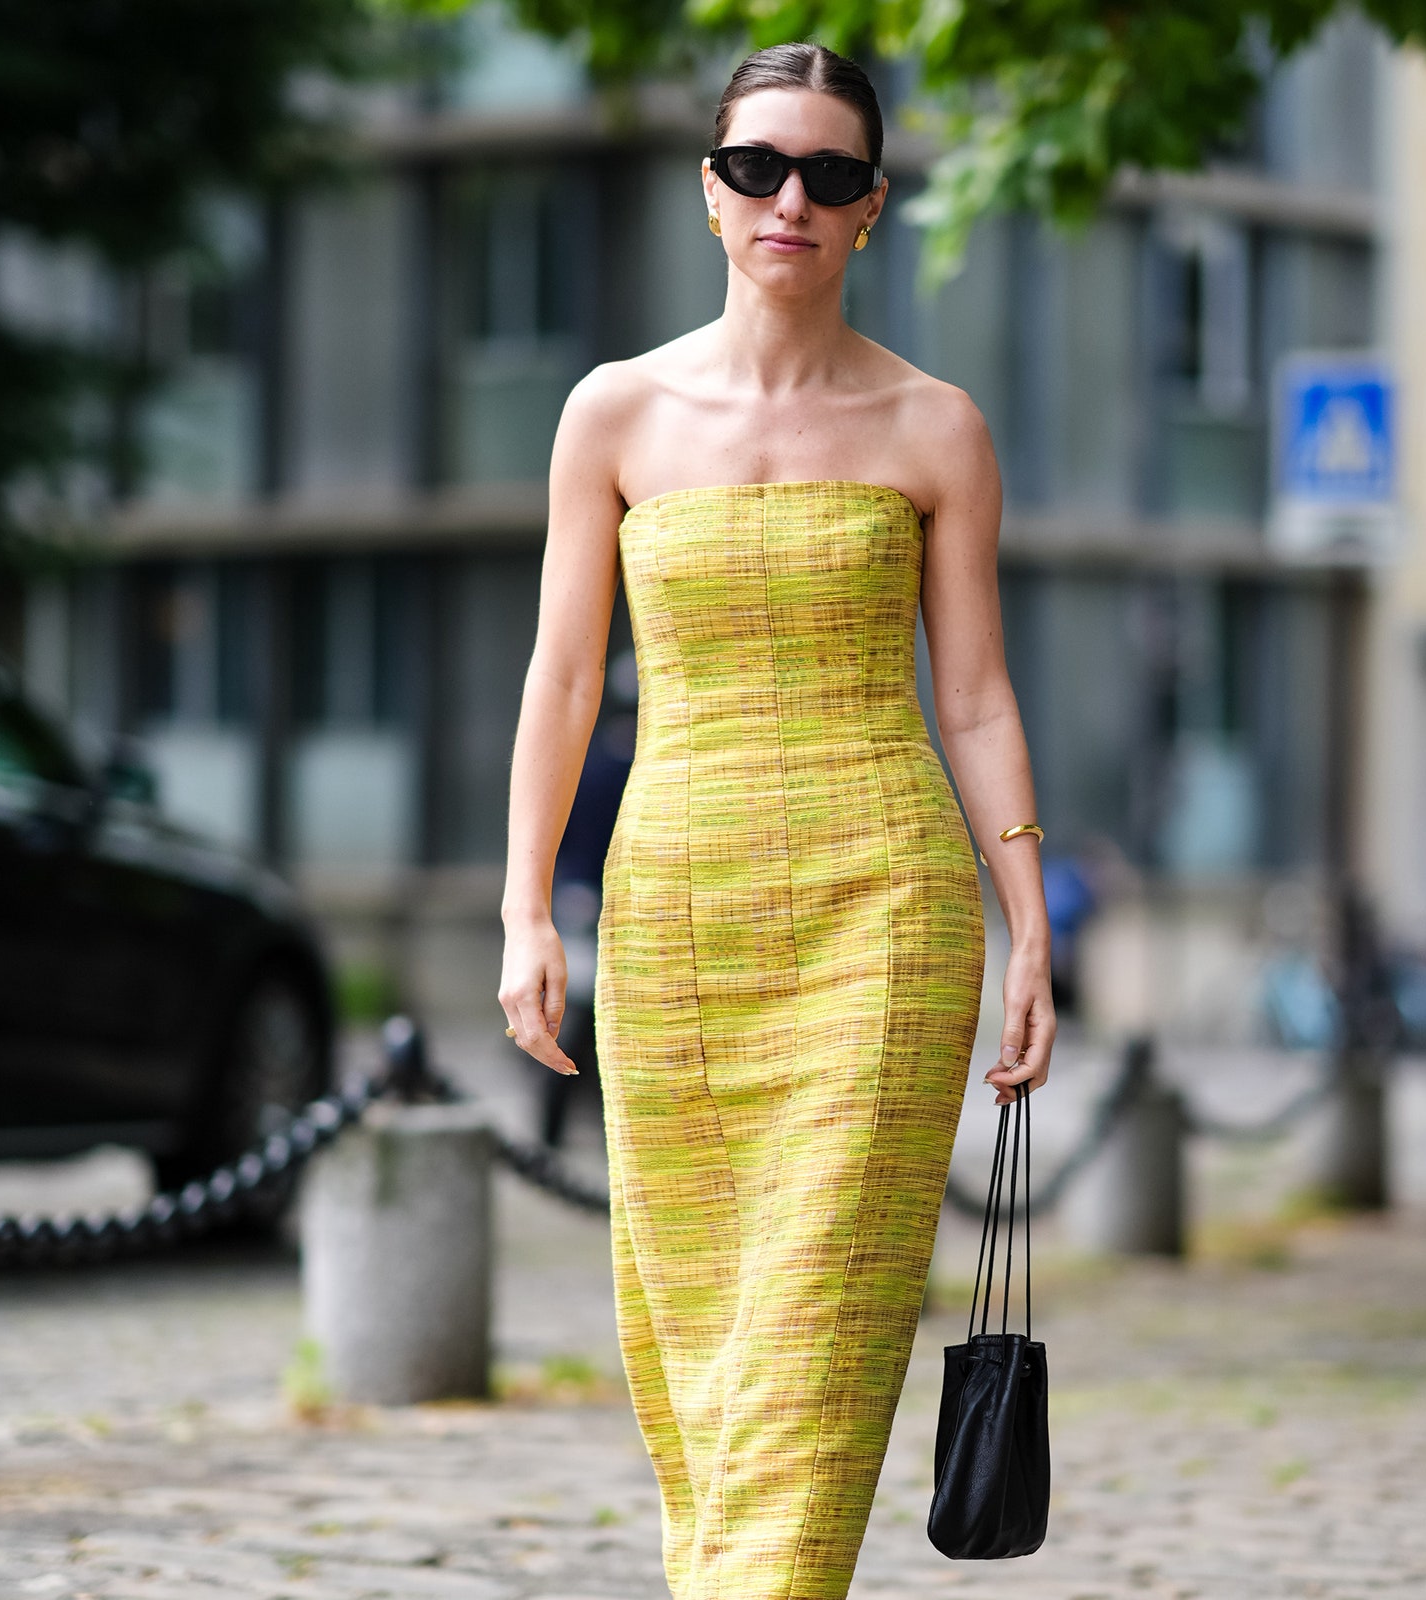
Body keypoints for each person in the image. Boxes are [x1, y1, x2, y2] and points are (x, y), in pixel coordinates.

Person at [497, 41, 1055, 1600]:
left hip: (884, 923)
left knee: (820, 1331)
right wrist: (526, 910)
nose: (788, 199)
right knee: (700, 1348)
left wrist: (1031, 927)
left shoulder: (936, 427)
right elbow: (556, 683)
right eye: (757, 167)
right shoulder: (612, 416)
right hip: (676, 921)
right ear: (710, 191)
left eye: (827, 174)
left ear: (872, 208)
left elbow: (981, 702)